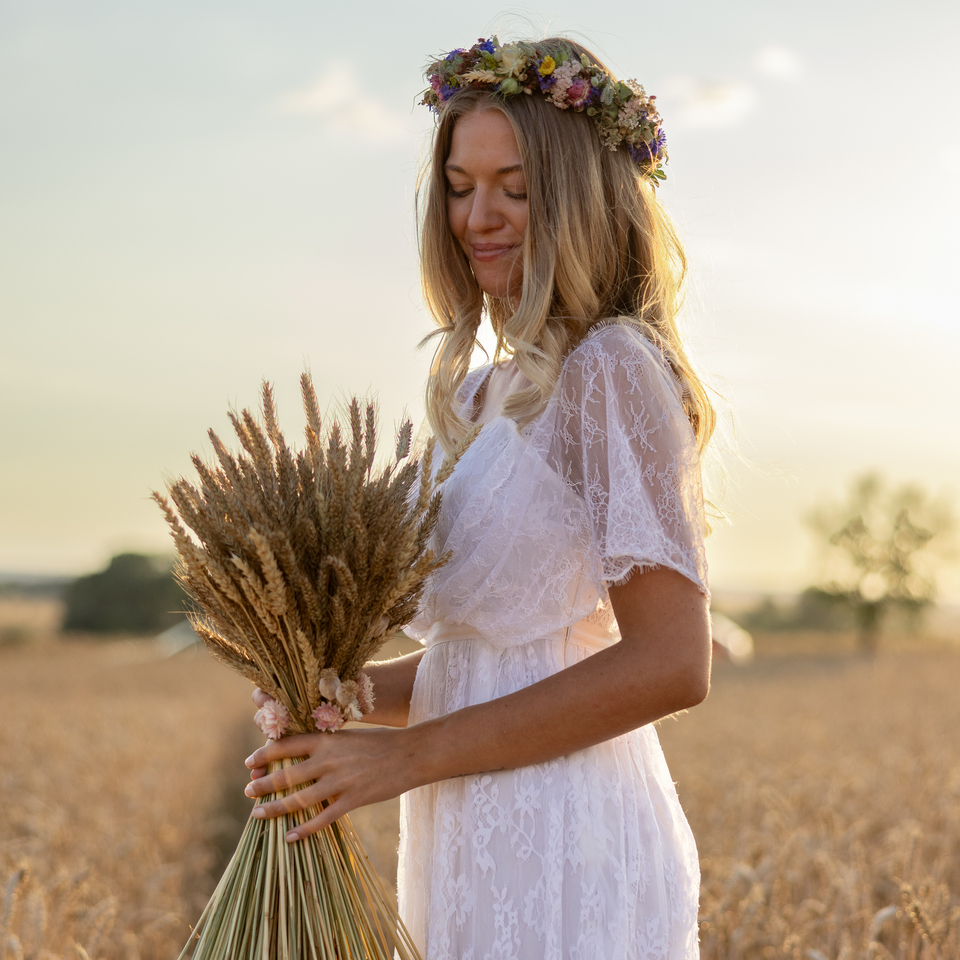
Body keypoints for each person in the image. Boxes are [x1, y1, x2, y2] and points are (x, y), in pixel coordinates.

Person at [244, 36, 715, 960]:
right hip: (462, 833)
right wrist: (345, 698)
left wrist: (406, 757)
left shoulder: (609, 370)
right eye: (460, 186)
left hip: (569, 833)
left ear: (578, 194)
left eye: (515, 186)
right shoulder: (478, 396)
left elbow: (671, 663)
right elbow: (494, 659)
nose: (478, 216)